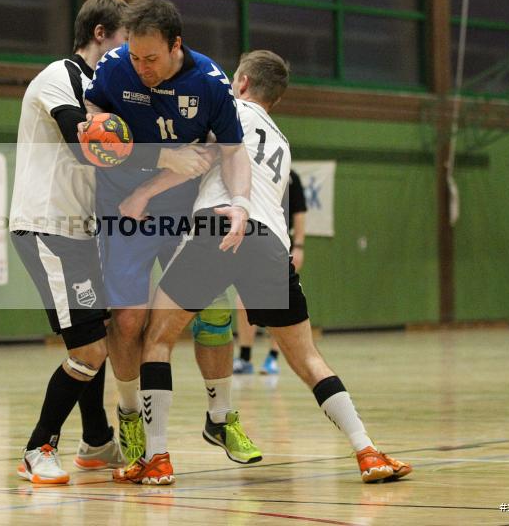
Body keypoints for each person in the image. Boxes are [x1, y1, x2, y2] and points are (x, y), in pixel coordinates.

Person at [113, 50, 412, 485]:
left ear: (243, 83)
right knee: (308, 358)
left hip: (220, 227)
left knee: (157, 339)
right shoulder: (283, 142)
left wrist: (143, 193)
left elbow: (203, 159)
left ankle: (156, 457)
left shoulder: (230, 110)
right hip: (271, 244)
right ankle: (367, 449)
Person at [84, 0, 261, 466]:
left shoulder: (209, 83)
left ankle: (221, 417)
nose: (140, 66)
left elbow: (232, 152)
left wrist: (241, 205)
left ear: (176, 45)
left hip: (186, 209)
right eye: (135, 56)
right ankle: (128, 415)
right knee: (126, 320)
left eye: (151, 58)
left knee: (216, 313)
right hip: (125, 209)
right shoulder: (115, 69)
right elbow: (91, 127)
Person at [8, 0, 131, 484]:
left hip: (79, 230)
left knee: (94, 336)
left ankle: (97, 441)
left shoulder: (104, 92)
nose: (130, 53)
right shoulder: (61, 75)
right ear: (101, 33)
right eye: (125, 41)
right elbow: (81, 140)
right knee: (88, 351)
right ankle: (38, 448)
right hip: (47, 226)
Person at [233, 169, 306, 375]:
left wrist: (299, 246)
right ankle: (245, 357)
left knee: (278, 300)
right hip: (253, 242)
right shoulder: (250, 170)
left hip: (281, 245)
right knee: (242, 299)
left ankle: (272, 358)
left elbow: (299, 213)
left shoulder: (291, 177)